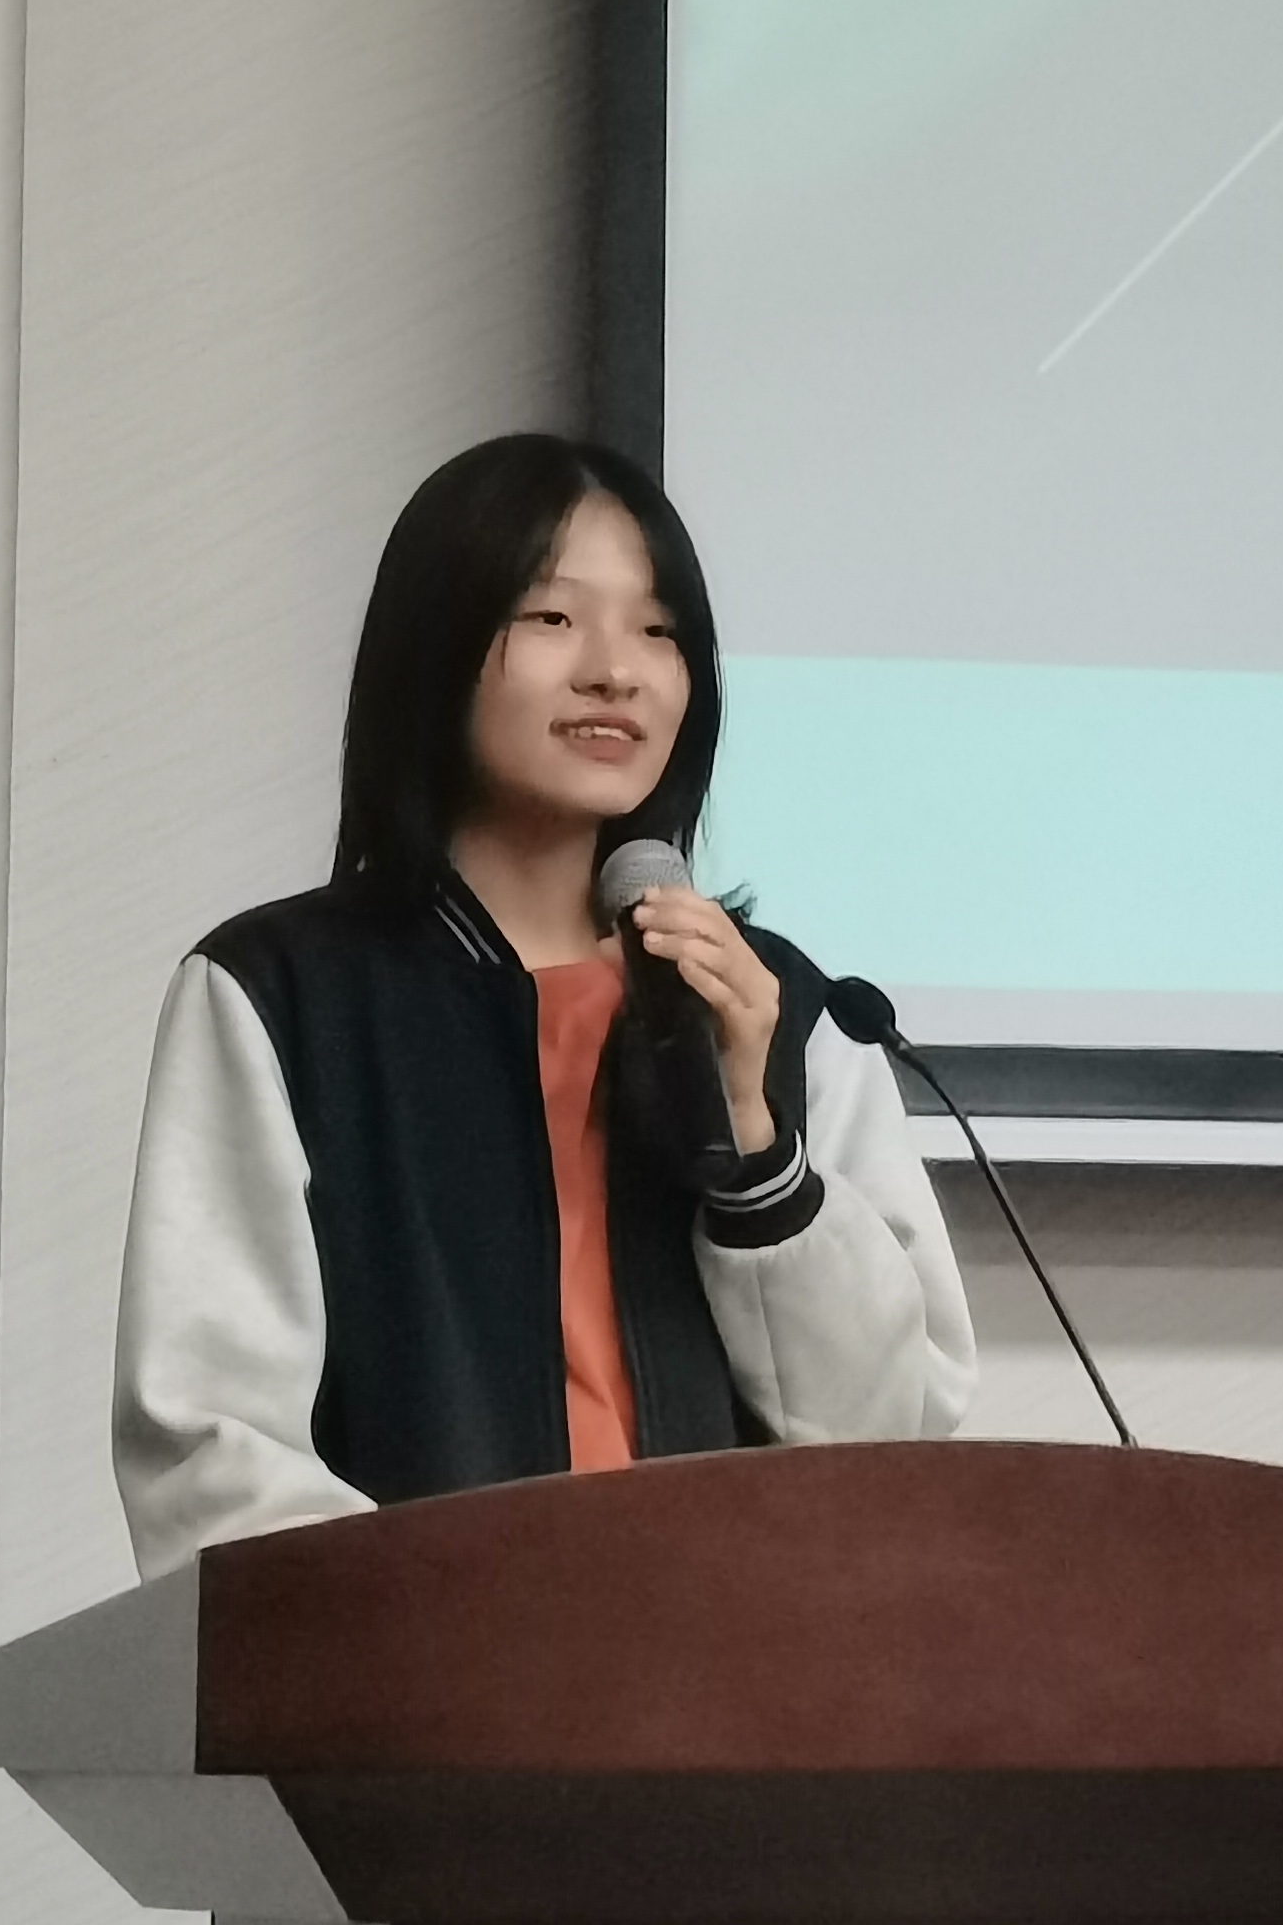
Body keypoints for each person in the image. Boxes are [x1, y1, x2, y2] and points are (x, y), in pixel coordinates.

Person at [112, 433, 973, 1576]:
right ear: (435, 645)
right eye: (554, 616)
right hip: (427, 1668)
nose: (617, 671)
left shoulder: (782, 1008)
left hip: (738, 1668)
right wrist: (454, 1639)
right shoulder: (283, 998)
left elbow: (895, 1442)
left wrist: (757, 1148)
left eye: (659, 630)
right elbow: (212, 1441)